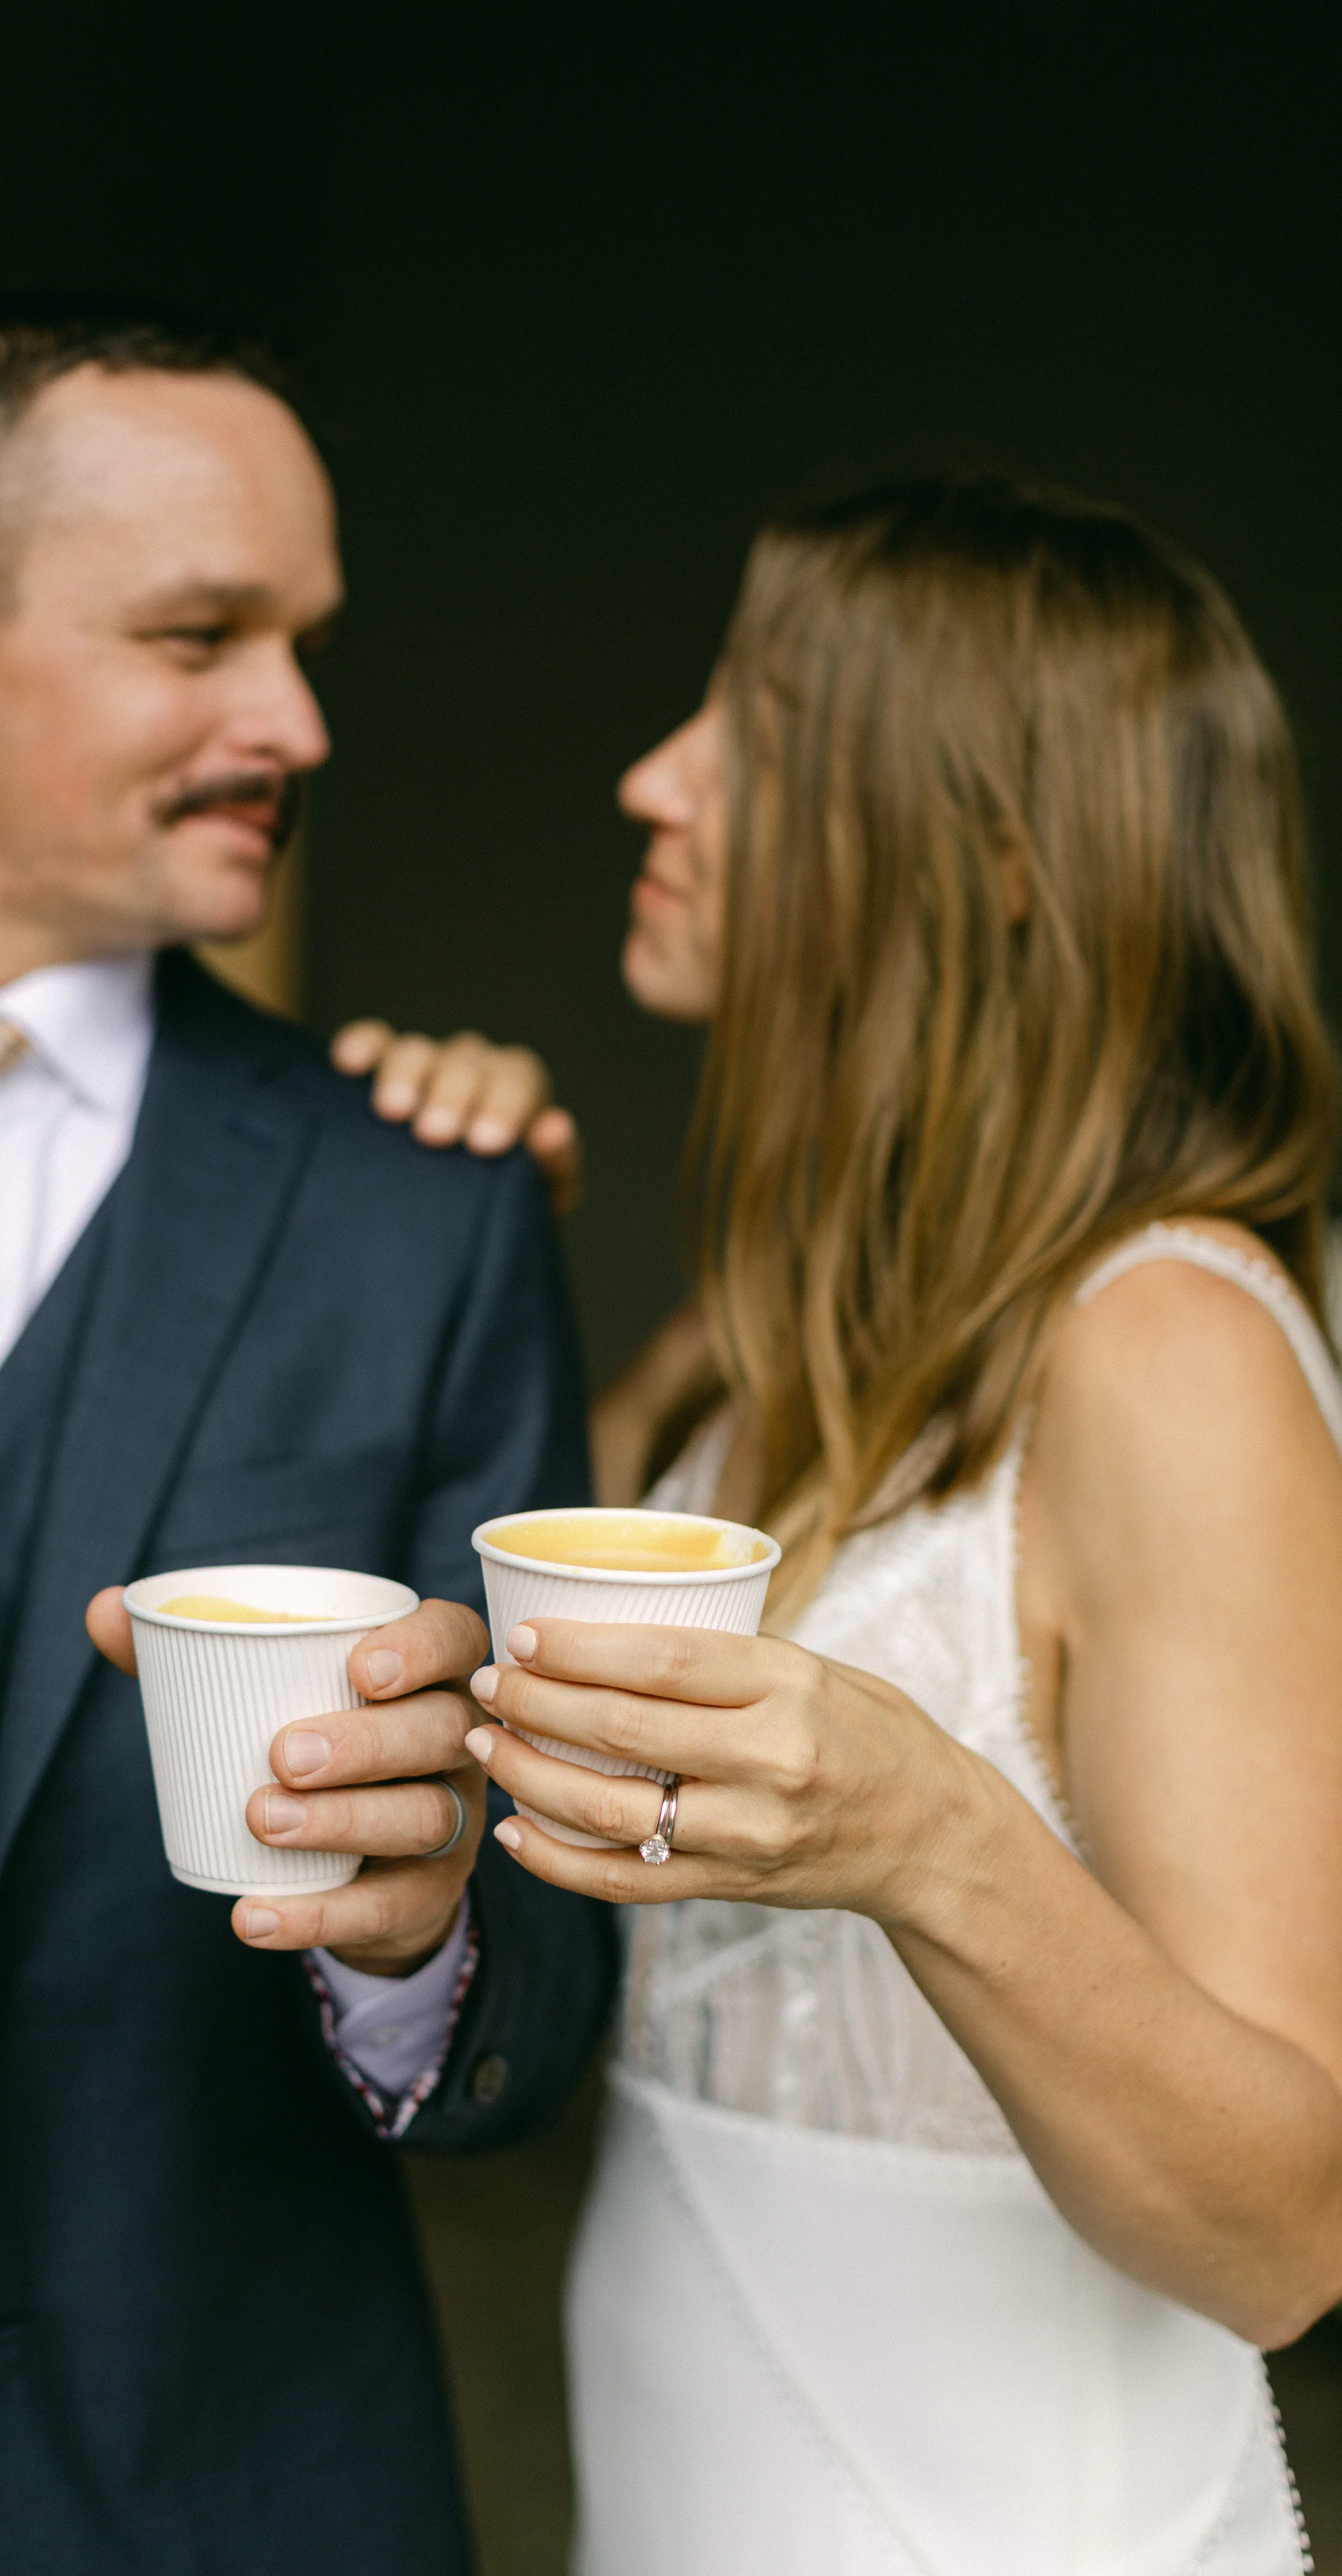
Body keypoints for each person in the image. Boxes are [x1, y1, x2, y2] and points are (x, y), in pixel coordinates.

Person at [0, 298, 614, 2575]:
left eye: (302, 640)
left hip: (202, 2507)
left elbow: (543, 1987)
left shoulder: (423, 1205)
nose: (294, 719)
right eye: (201, 634)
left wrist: (416, 1928)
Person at [352, 474, 1342, 2571]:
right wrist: (430, 1237)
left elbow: (1290, 2226)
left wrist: (927, 1833)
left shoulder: (1167, 1348)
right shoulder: (751, 1345)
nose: (652, 777)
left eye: (748, 728)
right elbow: (469, 1718)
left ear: (991, 856)